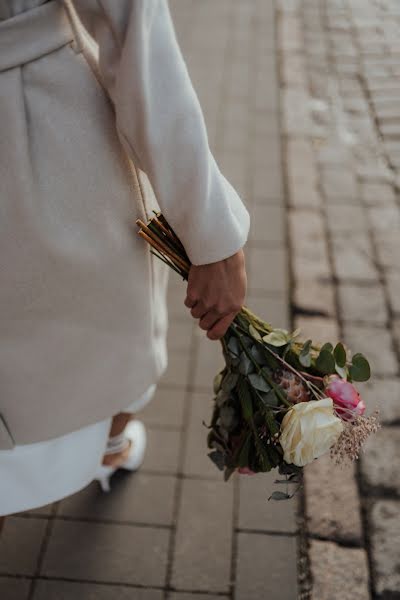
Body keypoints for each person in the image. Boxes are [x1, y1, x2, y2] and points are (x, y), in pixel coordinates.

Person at [0, 0, 249, 522]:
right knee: (116, 327)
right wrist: (211, 236)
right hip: (32, 132)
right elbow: (137, 37)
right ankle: (109, 445)